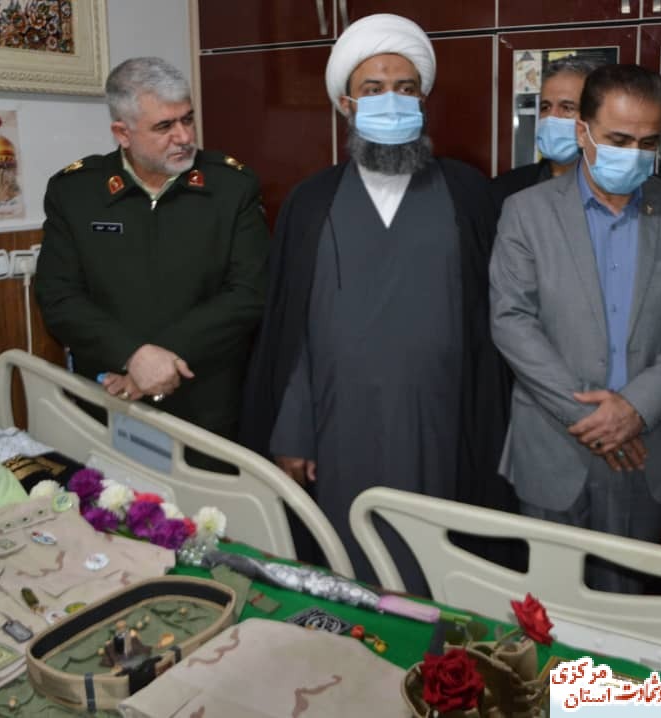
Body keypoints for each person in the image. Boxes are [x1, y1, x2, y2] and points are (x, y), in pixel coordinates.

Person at [240, 14, 510, 589]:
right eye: (374, 88)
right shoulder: (310, 202)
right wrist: (293, 431)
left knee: (440, 569)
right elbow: (290, 334)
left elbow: (495, 321)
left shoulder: (467, 193)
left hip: (445, 418)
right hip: (340, 424)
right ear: (346, 104)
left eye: (405, 88)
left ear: (423, 101)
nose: (392, 101)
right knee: (349, 569)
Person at [490, 63, 661, 593]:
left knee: (626, 607)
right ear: (583, 132)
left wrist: (635, 408)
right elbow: (511, 321)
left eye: (648, 142)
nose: (634, 154)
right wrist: (592, 419)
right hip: (554, 445)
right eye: (619, 139)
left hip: (646, 447)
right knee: (547, 611)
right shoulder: (525, 212)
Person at [35, 57, 268, 448]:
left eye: (188, 119)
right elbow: (58, 296)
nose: (183, 137)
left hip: (208, 403)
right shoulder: (75, 193)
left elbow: (249, 293)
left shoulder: (232, 187)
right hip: (111, 397)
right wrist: (132, 356)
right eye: (164, 126)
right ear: (122, 133)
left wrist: (163, 357)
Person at [491, 57, 597, 204]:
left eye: (567, 108)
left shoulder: (611, 193)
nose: (551, 117)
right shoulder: (507, 191)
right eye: (545, 107)